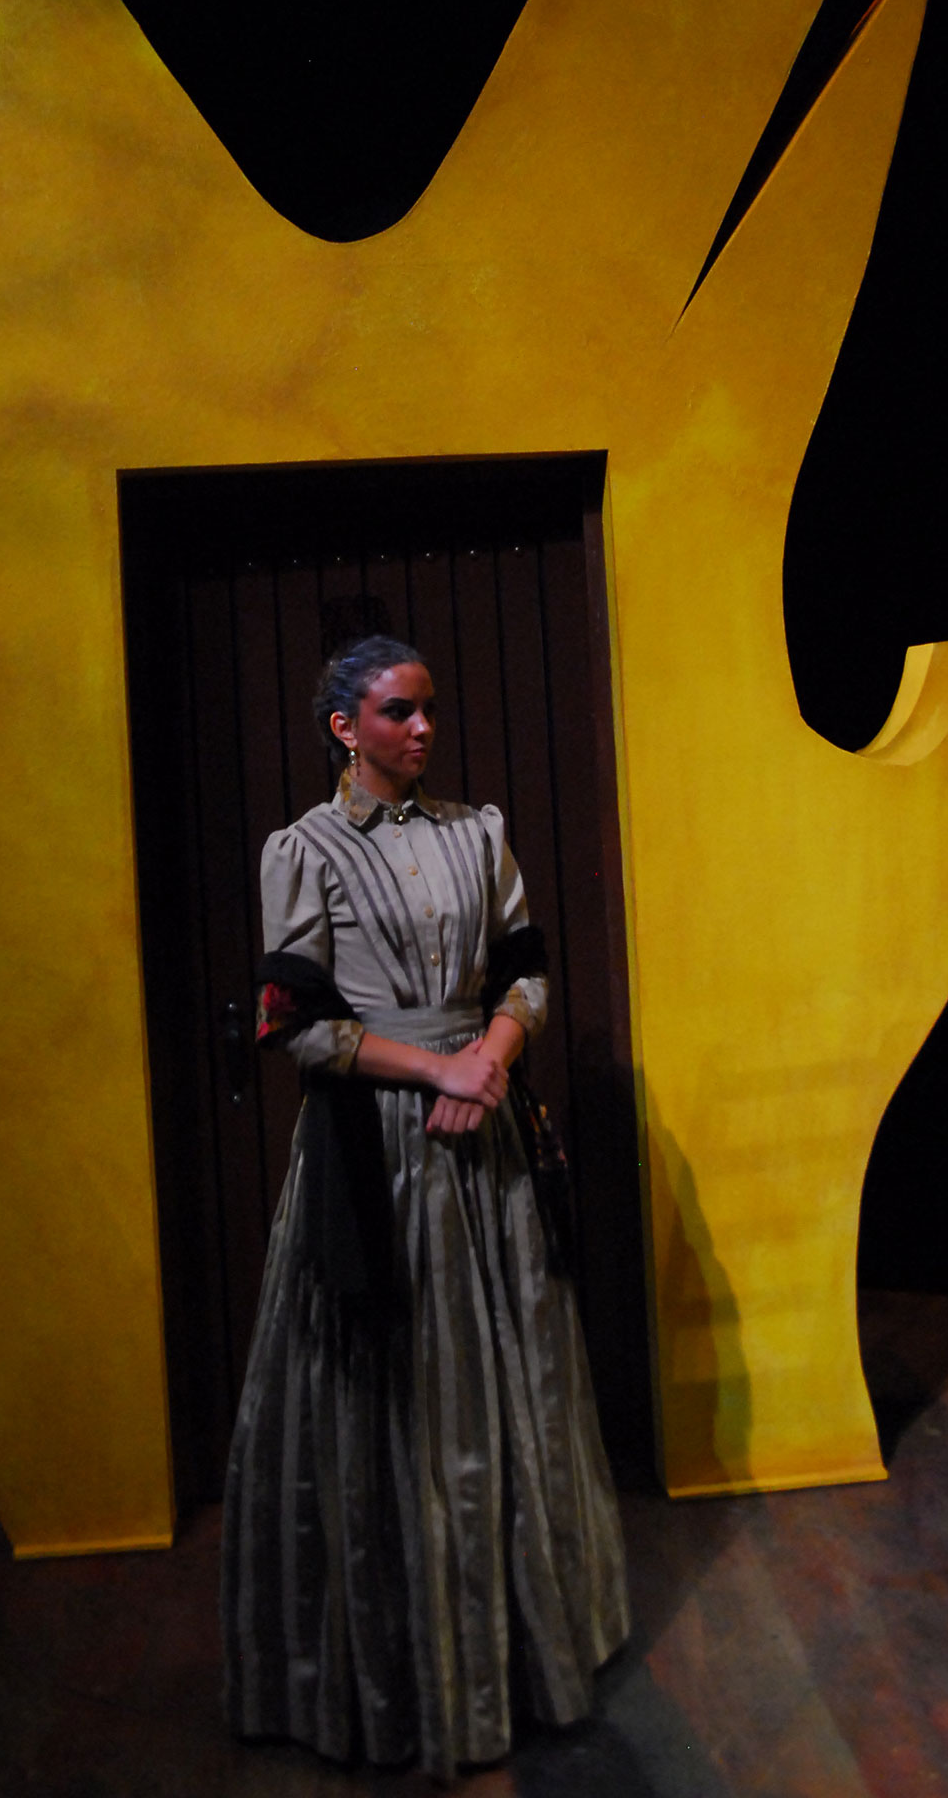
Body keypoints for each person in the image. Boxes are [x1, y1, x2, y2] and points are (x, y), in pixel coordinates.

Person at [221, 634, 629, 1779]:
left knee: (510, 1390)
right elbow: (289, 1024)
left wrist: (490, 1056)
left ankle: (526, 1647)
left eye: (428, 709)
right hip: (377, 1152)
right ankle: (392, 1670)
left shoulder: (475, 831)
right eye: (397, 711)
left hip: (482, 1139)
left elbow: (528, 973)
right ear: (343, 726)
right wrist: (433, 1069)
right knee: (389, 1399)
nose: (422, 727)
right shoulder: (300, 852)